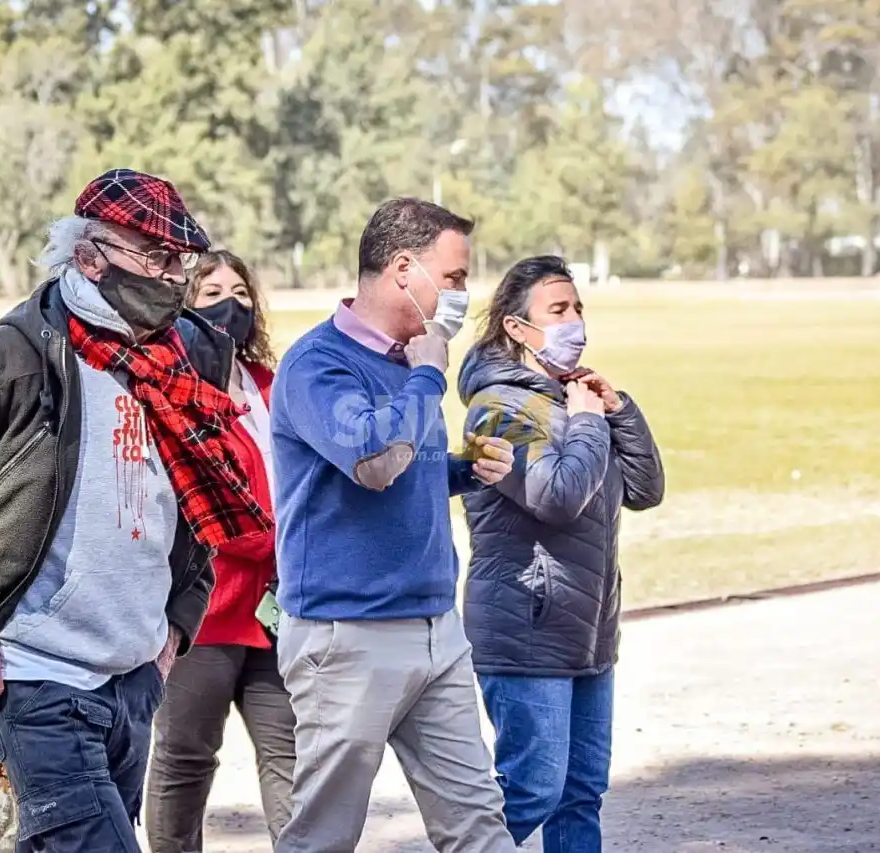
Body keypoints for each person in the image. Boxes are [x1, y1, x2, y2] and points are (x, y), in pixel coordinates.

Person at [0, 168, 272, 852]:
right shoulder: (13, 356)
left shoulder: (183, 357)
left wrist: (177, 622)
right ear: (88, 256)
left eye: (180, 262)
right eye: (156, 258)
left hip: (135, 676)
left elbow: (201, 500)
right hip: (38, 677)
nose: (173, 277)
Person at [269, 197, 518, 853]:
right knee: (323, 837)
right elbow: (375, 462)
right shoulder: (318, 364)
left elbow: (409, 467)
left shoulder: (408, 360)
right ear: (403, 268)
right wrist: (428, 378)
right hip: (346, 636)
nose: (464, 294)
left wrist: (465, 471)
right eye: (457, 276)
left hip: (435, 627)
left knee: (479, 824)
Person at [456, 255, 665, 852]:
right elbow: (555, 497)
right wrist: (588, 424)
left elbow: (646, 491)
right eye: (559, 310)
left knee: (580, 795)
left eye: (578, 309)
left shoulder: (571, 402)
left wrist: (616, 410)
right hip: (527, 630)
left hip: (591, 633)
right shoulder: (497, 408)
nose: (576, 322)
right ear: (518, 329)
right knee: (530, 793)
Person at [145, 250, 296, 850]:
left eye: (239, 291)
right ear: (182, 305)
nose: (229, 305)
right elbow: (195, 500)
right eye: (210, 294)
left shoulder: (271, 385)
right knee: (185, 758)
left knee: (293, 759)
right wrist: (275, 539)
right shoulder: (174, 392)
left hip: (276, 611)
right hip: (204, 614)